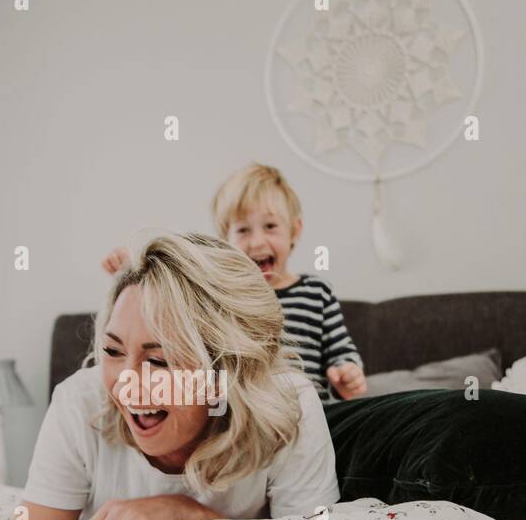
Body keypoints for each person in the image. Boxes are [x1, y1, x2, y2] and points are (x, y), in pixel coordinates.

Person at [0, 232, 339, 520]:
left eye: (158, 361)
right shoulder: (80, 403)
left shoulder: (288, 406)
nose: (126, 383)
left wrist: (188, 515)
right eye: (112, 351)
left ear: (226, 370)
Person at [101, 163, 367, 401]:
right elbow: (177, 268)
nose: (257, 242)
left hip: (313, 416)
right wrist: (137, 263)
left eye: (270, 226)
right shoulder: (221, 294)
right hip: (250, 417)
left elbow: (341, 352)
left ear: (294, 231)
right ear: (225, 240)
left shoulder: (316, 292)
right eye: (243, 230)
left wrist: (346, 375)